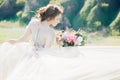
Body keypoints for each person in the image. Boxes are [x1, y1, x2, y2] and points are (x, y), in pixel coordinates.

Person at [0, 4, 120, 80]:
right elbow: (46, 51)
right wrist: (61, 44)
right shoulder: (50, 32)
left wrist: (10, 43)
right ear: (49, 18)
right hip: (40, 57)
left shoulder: (32, 22)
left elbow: (22, 39)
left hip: (29, 53)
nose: (58, 22)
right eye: (57, 19)